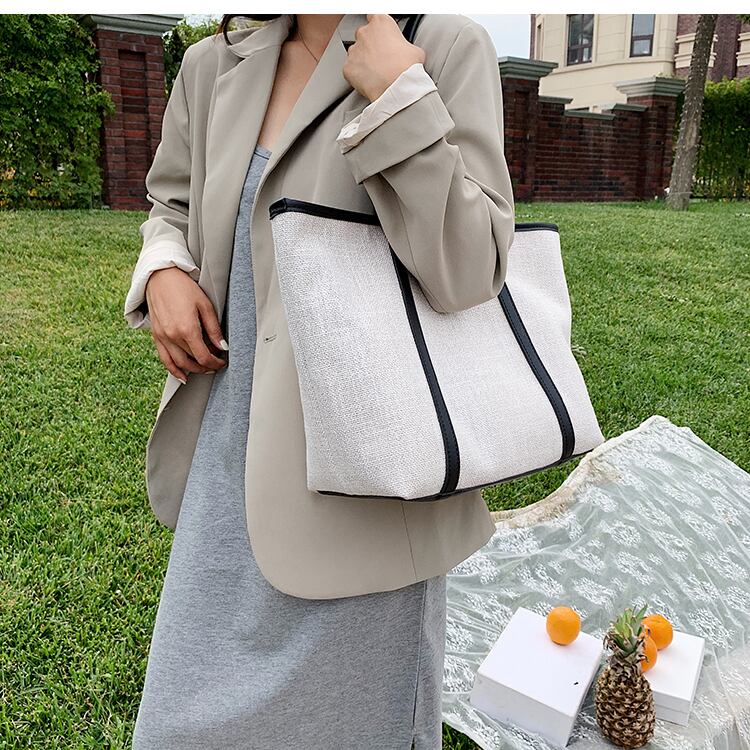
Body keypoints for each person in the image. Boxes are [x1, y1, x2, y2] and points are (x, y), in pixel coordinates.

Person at [123, 13, 515, 749]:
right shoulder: (212, 64)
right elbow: (169, 205)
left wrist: (399, 96)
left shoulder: (442, 47)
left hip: (365, 494)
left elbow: (471, 270)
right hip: (224, 469)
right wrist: (165, 268)